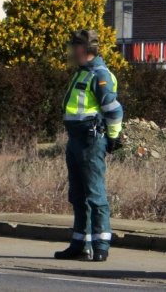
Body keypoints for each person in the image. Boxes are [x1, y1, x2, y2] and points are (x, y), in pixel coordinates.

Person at [54, 29, 124, 263]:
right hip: (76, 139)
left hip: (91, 140)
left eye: (74, 47)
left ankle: (101, 245)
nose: (71, 52)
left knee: (95, 194)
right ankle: (80, 244)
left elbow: (114, 110)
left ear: (84, 50)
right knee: (77, 195)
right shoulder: (82, 72)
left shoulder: (99, 75)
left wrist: (113, 137)